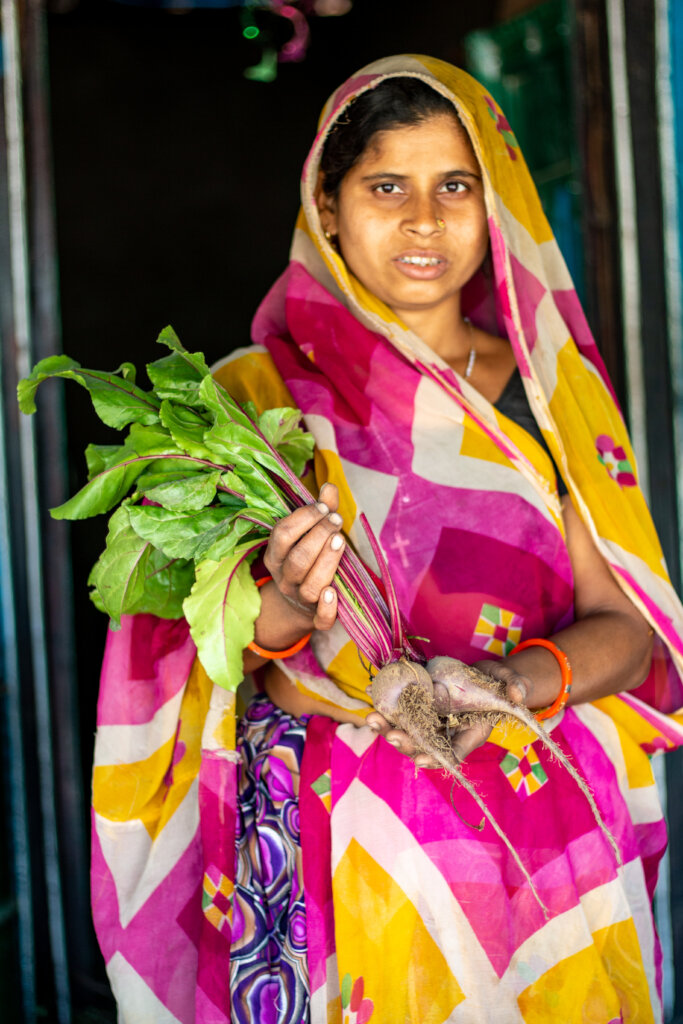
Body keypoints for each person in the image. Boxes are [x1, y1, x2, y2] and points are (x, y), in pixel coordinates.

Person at [91, 56, 683, 1023]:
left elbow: (627, 629)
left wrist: (501, 688)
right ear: (326, 208)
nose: (423, 219)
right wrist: (283, 595)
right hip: (341, 852)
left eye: (455, 186)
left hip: (542, 850)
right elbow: (201, 653)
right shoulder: (255, 403)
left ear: (492, 204)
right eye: (385, 187)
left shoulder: (548, 392)